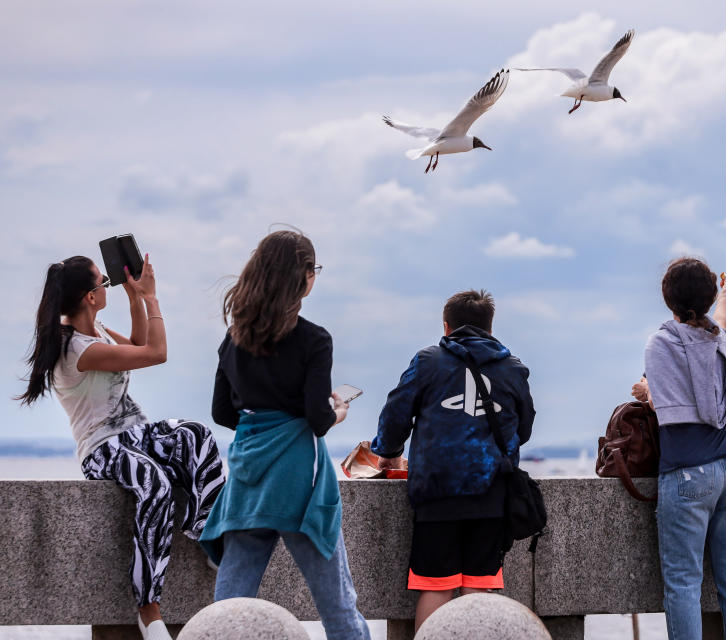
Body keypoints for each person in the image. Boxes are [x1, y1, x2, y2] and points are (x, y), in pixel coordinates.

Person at [17, 255, 225, 640]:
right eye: (104, 283)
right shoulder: (77, 349)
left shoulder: (97, 331)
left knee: (194, 434)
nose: (108, 285)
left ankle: (206, 531)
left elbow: (141, 344)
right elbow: (156, 354)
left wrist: (134, 299)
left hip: (135, 434)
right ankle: (148, 607)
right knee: (156, 484)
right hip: (102, 448)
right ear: (90, 297)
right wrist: (152, 298)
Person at [201, 230, 370, 640]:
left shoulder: (234, 337)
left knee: (230, 605)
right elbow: (316, 418)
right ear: (305, 276)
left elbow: (222, 411)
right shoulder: (314, 339)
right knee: (337, 604)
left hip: (247, 477)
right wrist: (338, 412)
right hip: (299, 480)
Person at [371, 289, 535, 632]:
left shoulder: (428, 361)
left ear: (446, 327)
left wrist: (387, 453)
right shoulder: (513, 368)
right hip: (492, 493)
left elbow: (396, 414)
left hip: (436, 491)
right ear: (490, 329)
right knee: (478, 587)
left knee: (436, 584)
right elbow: (525, 427)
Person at [636, 258, 726, 640]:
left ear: (668, 299)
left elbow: (670, 408)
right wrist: (725, 296)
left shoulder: (662, 342)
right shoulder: (719, 337)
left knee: (684, 583)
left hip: (688, 470)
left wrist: (647, 392)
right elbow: (717, 321)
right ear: (704, 301)